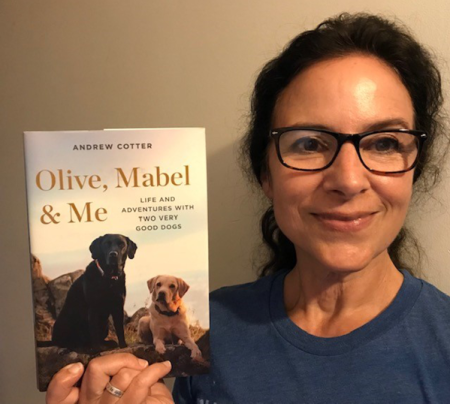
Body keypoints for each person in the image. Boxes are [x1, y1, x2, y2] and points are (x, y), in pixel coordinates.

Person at [46, 12, 450, 404]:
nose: (348, 180)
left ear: (415, 170)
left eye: (384, 143)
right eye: (309, 143)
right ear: (266, 174)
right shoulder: (214, 330)